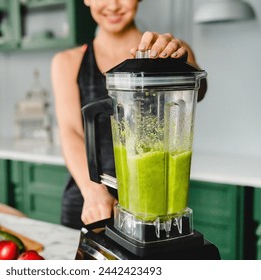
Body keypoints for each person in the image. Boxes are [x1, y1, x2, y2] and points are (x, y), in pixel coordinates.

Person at [51, 0, 207, 230]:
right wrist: (94, 192)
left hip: (156, 204)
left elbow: (199, 89)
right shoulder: (67, 61)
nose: (113, 5)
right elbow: (71, 131)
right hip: (89, 202)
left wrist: (182, 64)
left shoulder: (170, 51)